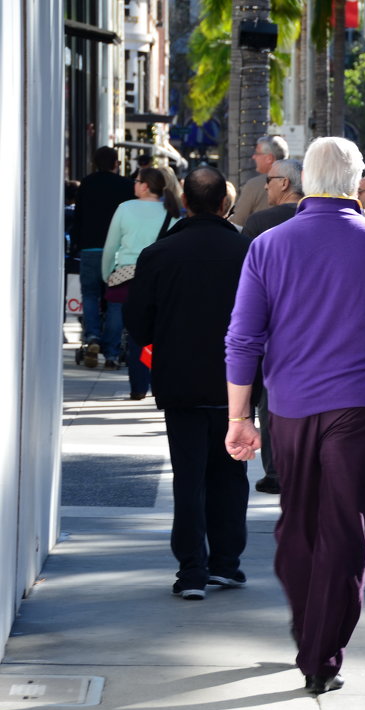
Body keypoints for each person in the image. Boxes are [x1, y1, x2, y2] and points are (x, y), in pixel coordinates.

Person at [224, 136, 365, 696]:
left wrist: (238, 418)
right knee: (344, 530)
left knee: (298, 524)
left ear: (304, 179)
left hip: (288, 410)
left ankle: (308, 629)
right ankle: (321, 652)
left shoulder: (269, 245)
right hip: (360, 409)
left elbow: (243, 338)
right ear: (356, 180)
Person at [124, 167, 253, 601]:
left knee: (189, 476)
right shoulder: (247, 252)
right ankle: (227, 564)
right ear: (224, 204)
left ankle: (192, 570)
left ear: (185, 202)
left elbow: (137, 324)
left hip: (179, 382)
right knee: (231, 475)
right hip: (235, 384)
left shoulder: (158, 254)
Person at [240, 157, 304, 495]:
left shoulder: (260, 223)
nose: (265, 186)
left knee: (271, 403)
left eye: (269, 180)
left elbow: (243, 283)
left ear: (285, 183)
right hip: (316, 330)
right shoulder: (322, 222)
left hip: (272, 331)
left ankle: (277, 472)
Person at [101, 166, 180, 398]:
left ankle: (137, 386)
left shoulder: (124, 208)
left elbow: (111, 246)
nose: (134, 184)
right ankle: (158, 383)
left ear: (145, 186)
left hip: (125, 278)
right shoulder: (172, 212)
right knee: (156, 334)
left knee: (132, 332)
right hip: (159, 279)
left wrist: (107, 275)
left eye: (136, 180)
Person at [72, 146, 135, 368]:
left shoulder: (87, 183)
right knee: (116, 301)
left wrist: (76, 246)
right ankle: (111, 352)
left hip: (90, 248)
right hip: (117, 252)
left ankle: (92, 337)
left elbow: (78, 216)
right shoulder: (126, 186)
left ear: (94, 162)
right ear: (116, 163)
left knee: (89, 295)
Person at [229, 134, 288, 227]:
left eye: (257, 153)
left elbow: (237, 222)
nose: (253, 157)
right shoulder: (298, 181)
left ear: (269, 158)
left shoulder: (255, 185)